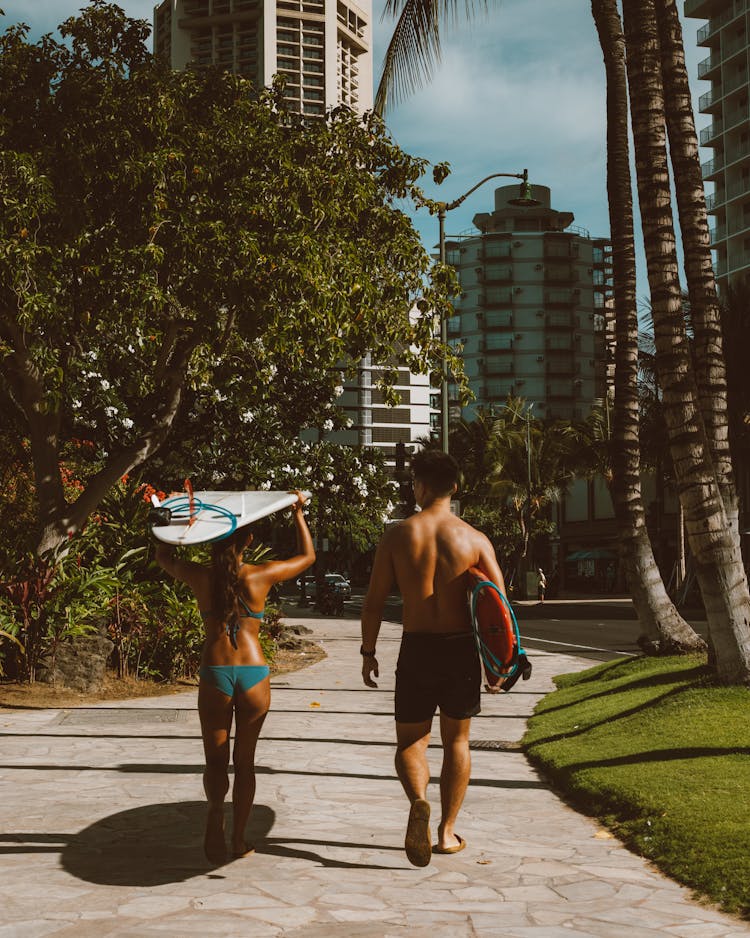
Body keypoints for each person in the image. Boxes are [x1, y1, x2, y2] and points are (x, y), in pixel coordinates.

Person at [360, 450, 507, 867]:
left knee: (411, 741)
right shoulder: (475, 540)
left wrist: (368, 652)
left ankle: (419, 802)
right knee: (457, 741)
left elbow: (372, 604)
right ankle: (446, 833)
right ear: (455, 487)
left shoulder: (397, 536)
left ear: (419, 486)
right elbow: (499, 610)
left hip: (417, 647)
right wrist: (496, 665)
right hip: (460, 649)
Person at [155, 491, 315, 863]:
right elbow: (308, 557)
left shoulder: (199, 576)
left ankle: (215, 812)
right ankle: (239, 839)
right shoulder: (261, 575)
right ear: (249, 540)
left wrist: (175, 521)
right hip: (253, 673)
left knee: (215, 761)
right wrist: (298, 515)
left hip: (215, 672)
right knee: (245, 762)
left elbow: (163, 556)